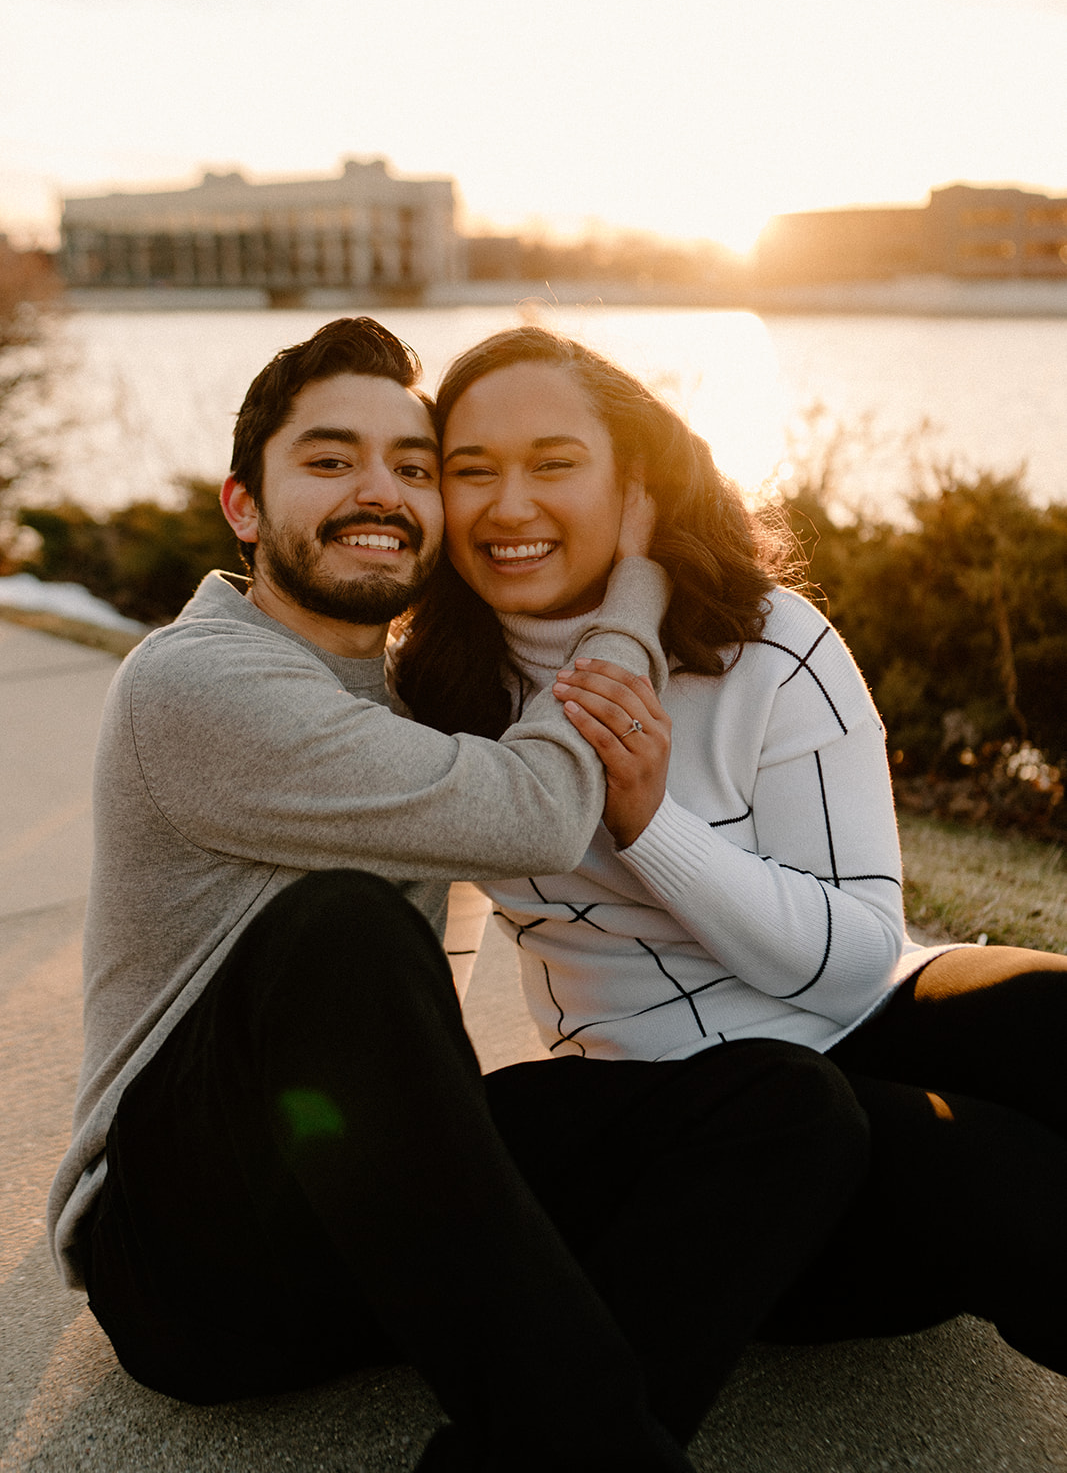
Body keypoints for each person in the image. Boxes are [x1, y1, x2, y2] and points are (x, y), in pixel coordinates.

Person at [47, 317, 871, 1473]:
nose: (378, 491)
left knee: (788, 1103)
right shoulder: (198, 680)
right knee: (337, 930)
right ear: (243, 505)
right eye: (330, 461)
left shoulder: (397, 695)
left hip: (349, 1232)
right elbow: (542, 808)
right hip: (185, 1258)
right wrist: (632, 588)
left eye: (416, 467)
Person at [396, 323, 1067, 1440]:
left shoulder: (768, 642)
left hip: (860, 1004)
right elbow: (397, 954)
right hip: (701, 1122)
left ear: (634, 481)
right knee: (1003, 1186)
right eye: (471, 472)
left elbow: (859, 952)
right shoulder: (426, 693)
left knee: (1050, 1012)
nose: (508, 506)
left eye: (552, 464)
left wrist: (652, 822)